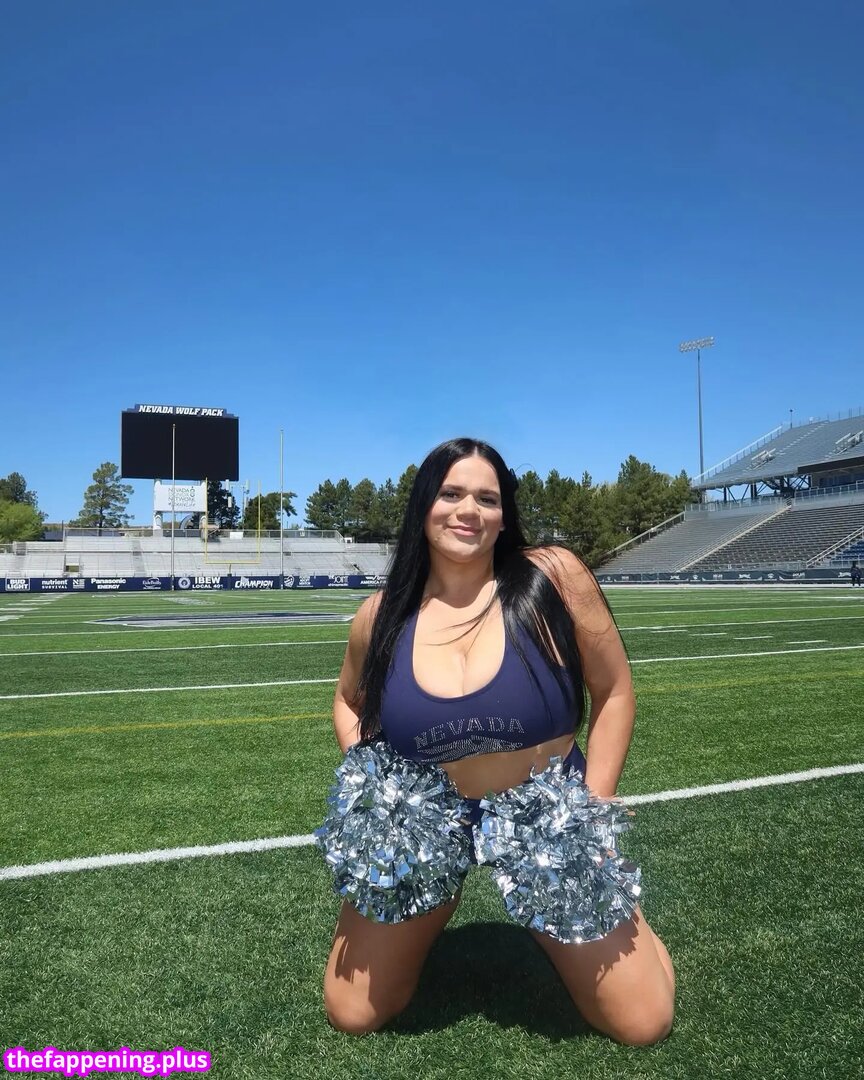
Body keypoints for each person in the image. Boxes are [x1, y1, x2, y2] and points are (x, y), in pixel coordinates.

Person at [322, 438, 675, 1044]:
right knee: (352, 1013)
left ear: (504, 515)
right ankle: (436, 900)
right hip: (428, 825)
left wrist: (591, 808)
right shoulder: (380, 616)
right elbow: (349, 703)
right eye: (451, 494)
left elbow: (614, 690)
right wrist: (377, 786)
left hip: (544, 818)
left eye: (487, 499)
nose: (469, 510)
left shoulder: (553, 577)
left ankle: (632, 929)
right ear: (423, 507)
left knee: (643, 1023)